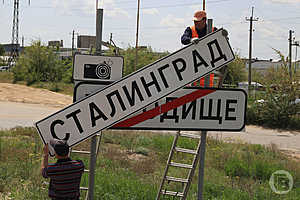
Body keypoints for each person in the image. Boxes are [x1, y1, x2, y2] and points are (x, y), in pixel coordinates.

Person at [181, 10, 217, 87]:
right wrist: (190, 40)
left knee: (206, 91)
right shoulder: (190, 29)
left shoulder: (213, 30)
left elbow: (221, 41)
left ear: (204, 20)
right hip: (193, 66)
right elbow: (183, 39)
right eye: (194, 21)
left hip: (208, 67)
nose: (195, 23)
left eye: (198, 21)